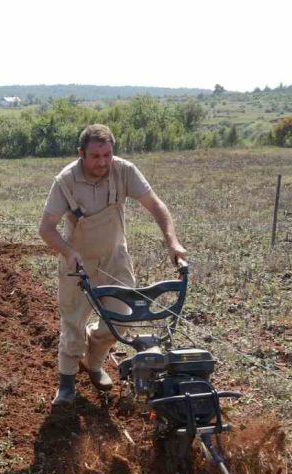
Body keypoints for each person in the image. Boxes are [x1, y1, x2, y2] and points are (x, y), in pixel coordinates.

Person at [38, 124, 188, 406]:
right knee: (72, 324)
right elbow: (46, 228)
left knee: (120, 320)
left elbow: (156, 206)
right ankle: (66, 386)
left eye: (107, 154)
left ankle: (93, 364)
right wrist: (68, 251)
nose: (103, 162)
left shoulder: (124, 171)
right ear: (81, 154)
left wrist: (172, 242)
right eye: (95, 156)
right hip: (77, 263)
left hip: (115, 259)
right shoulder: (66, 181)